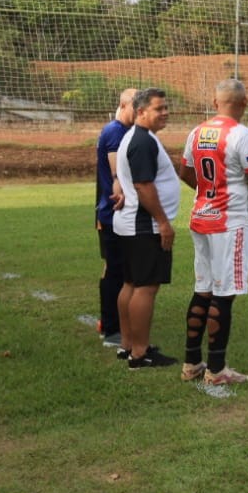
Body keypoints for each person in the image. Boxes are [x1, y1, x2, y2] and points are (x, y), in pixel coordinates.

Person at [178, 78, 248, 386]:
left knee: (202, 289)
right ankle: (216, 370)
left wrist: (209, 193)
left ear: (215, 103)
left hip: (201, 217)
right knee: (224, 294)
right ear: (244, 103)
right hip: (229, 222)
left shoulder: (197, 131)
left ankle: (191, 363)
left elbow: (186, 172)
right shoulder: (243, 135)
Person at [112, 87, 180, 369]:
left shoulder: (140, 137)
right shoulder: (142, 141)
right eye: (158, 108)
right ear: (141, 112)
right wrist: (163, 222)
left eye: (166, 107)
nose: (165, 113)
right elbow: (143, 185)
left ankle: (128, 345)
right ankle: (140, 353)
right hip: (144, 227)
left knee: (131, 283)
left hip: (131, 225)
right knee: (146, 287)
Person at [93, 87, 137, 348]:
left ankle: (111, 322)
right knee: (115, 270)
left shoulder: (122, 132)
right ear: (124, 105)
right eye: (137, 107)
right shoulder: (114, 132)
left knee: (116, 269)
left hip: (113, 212)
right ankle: (110, 328)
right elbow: (116, 175)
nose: (140, 112)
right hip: (113, 213)